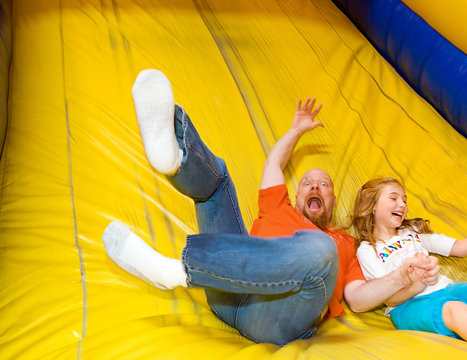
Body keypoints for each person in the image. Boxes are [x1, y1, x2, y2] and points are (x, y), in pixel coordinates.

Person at [102, 69, 438, 346]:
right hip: (227, 293)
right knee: (218, 182)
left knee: (321, 249)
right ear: (296, 195)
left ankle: (176, 272)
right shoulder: (277, 205)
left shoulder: (344, 243)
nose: (316, 186)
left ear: (334, 202)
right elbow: (273, 163)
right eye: (307, 182)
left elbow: (361, 299)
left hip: (278, 318)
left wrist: (400, 277)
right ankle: (174, 158)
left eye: (325, 185)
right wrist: (295, 131)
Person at [350, 176, 467, 360]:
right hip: (407, 306)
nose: (402, 204)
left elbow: (459, 247)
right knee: (454, 309)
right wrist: (416, 284)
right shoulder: (368, 250)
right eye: (393, 198)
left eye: (404, 200)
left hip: (446, 289)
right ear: (372, 206)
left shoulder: (413, 235)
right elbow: (390, 299)